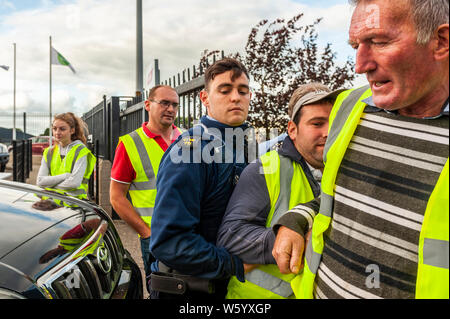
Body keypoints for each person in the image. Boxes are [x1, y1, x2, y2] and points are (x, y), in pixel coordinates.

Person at [272, 0, 449, 299]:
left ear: (441, 41)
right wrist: (297, 219)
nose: (360, 64)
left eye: (378, 41)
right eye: (355, 44)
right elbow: (337, 200)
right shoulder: (348, 107)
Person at [217, 83, 343, 299]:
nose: (328, 132)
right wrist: (287, 238)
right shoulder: (265, 170)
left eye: (335, 123)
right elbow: (231, 236)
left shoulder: (347, 171)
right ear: (292, 130)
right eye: (317, 123)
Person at [148, 58, 252, 300]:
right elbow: (169, 242)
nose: (235, 97)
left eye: (242, 91)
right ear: (205, 99)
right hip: (189, 292)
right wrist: (235, 264)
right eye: (224, 90)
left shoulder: (242, 145)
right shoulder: (190, 150)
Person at [110, 85, 182, 279]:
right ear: (148, 105)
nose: (171, 109)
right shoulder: (129, 143)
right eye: (165, 103)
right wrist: (146, 232)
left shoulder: (187, 138)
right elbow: (116, 197)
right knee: (162, 291)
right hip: (156, 237)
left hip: (191, 233)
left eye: (175, 105)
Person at [37, 112, 96, 206]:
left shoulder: (80, 151)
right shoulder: (48, 152)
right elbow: (40, 181)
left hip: (73, 206)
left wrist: (49, 187)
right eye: (54, 129)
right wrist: (65, 176)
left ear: (72, 130)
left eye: (62, 129)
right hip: (51, 205)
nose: (57, 132)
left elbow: (74, 183)